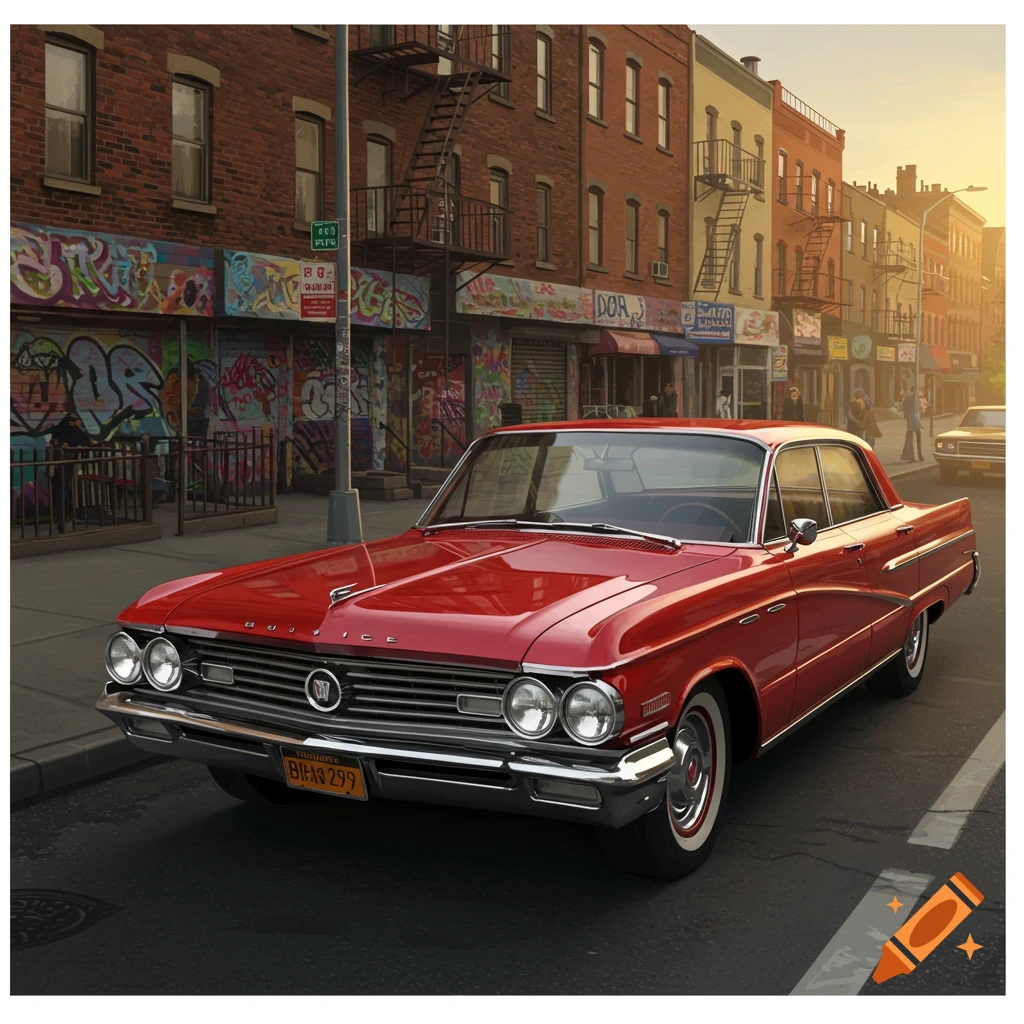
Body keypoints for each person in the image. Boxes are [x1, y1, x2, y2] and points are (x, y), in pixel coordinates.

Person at [901, 387, 924, 461]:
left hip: (910, 420)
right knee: (917, 438)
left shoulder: (908, 398)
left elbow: (903, 408)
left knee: (909, 437)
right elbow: (921, 409)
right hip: (915, 420)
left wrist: (907, 417)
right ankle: (919, 455)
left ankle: (907, 455)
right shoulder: (917, 399)